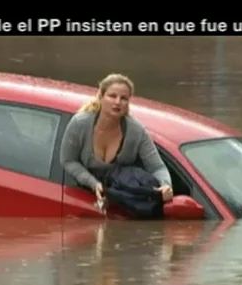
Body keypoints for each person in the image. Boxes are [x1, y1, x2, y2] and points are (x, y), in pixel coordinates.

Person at [59, 73, 174, 204]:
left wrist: (165, 185)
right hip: (80, 197)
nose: (118, 102)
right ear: (101, 97)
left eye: (124, 98)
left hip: (124, 199)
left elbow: (157, 167)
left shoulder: (136, 131)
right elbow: (68, 160)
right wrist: (93, 183)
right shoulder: (80, 123)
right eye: (112, 96)